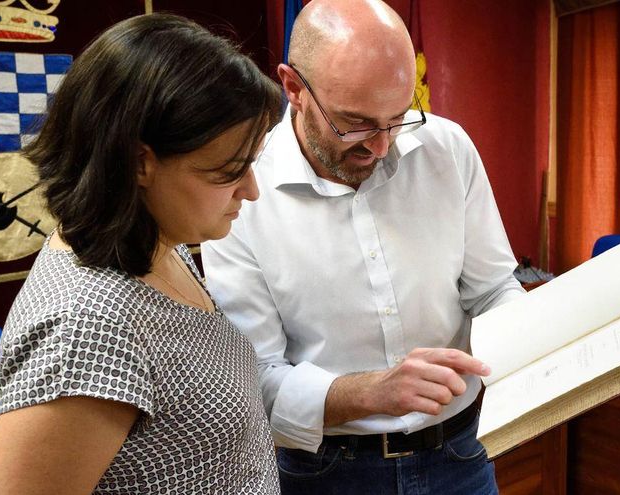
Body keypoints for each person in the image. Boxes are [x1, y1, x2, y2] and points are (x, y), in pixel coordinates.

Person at [200, 0, 526, 493]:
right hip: (326, 472)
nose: (381, 146)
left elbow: (493, 289)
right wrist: (373, 392)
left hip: (461, 453)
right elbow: (254, 379)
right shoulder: (240, 192)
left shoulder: (447, 148)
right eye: (355, 123)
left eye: (396, 118)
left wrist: (532, 341)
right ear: (293, 88)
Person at [0, 13, 282, 494]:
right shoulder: (83, 332)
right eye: (228, 170)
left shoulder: (154, 243)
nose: (251, 190)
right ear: (141, 162)